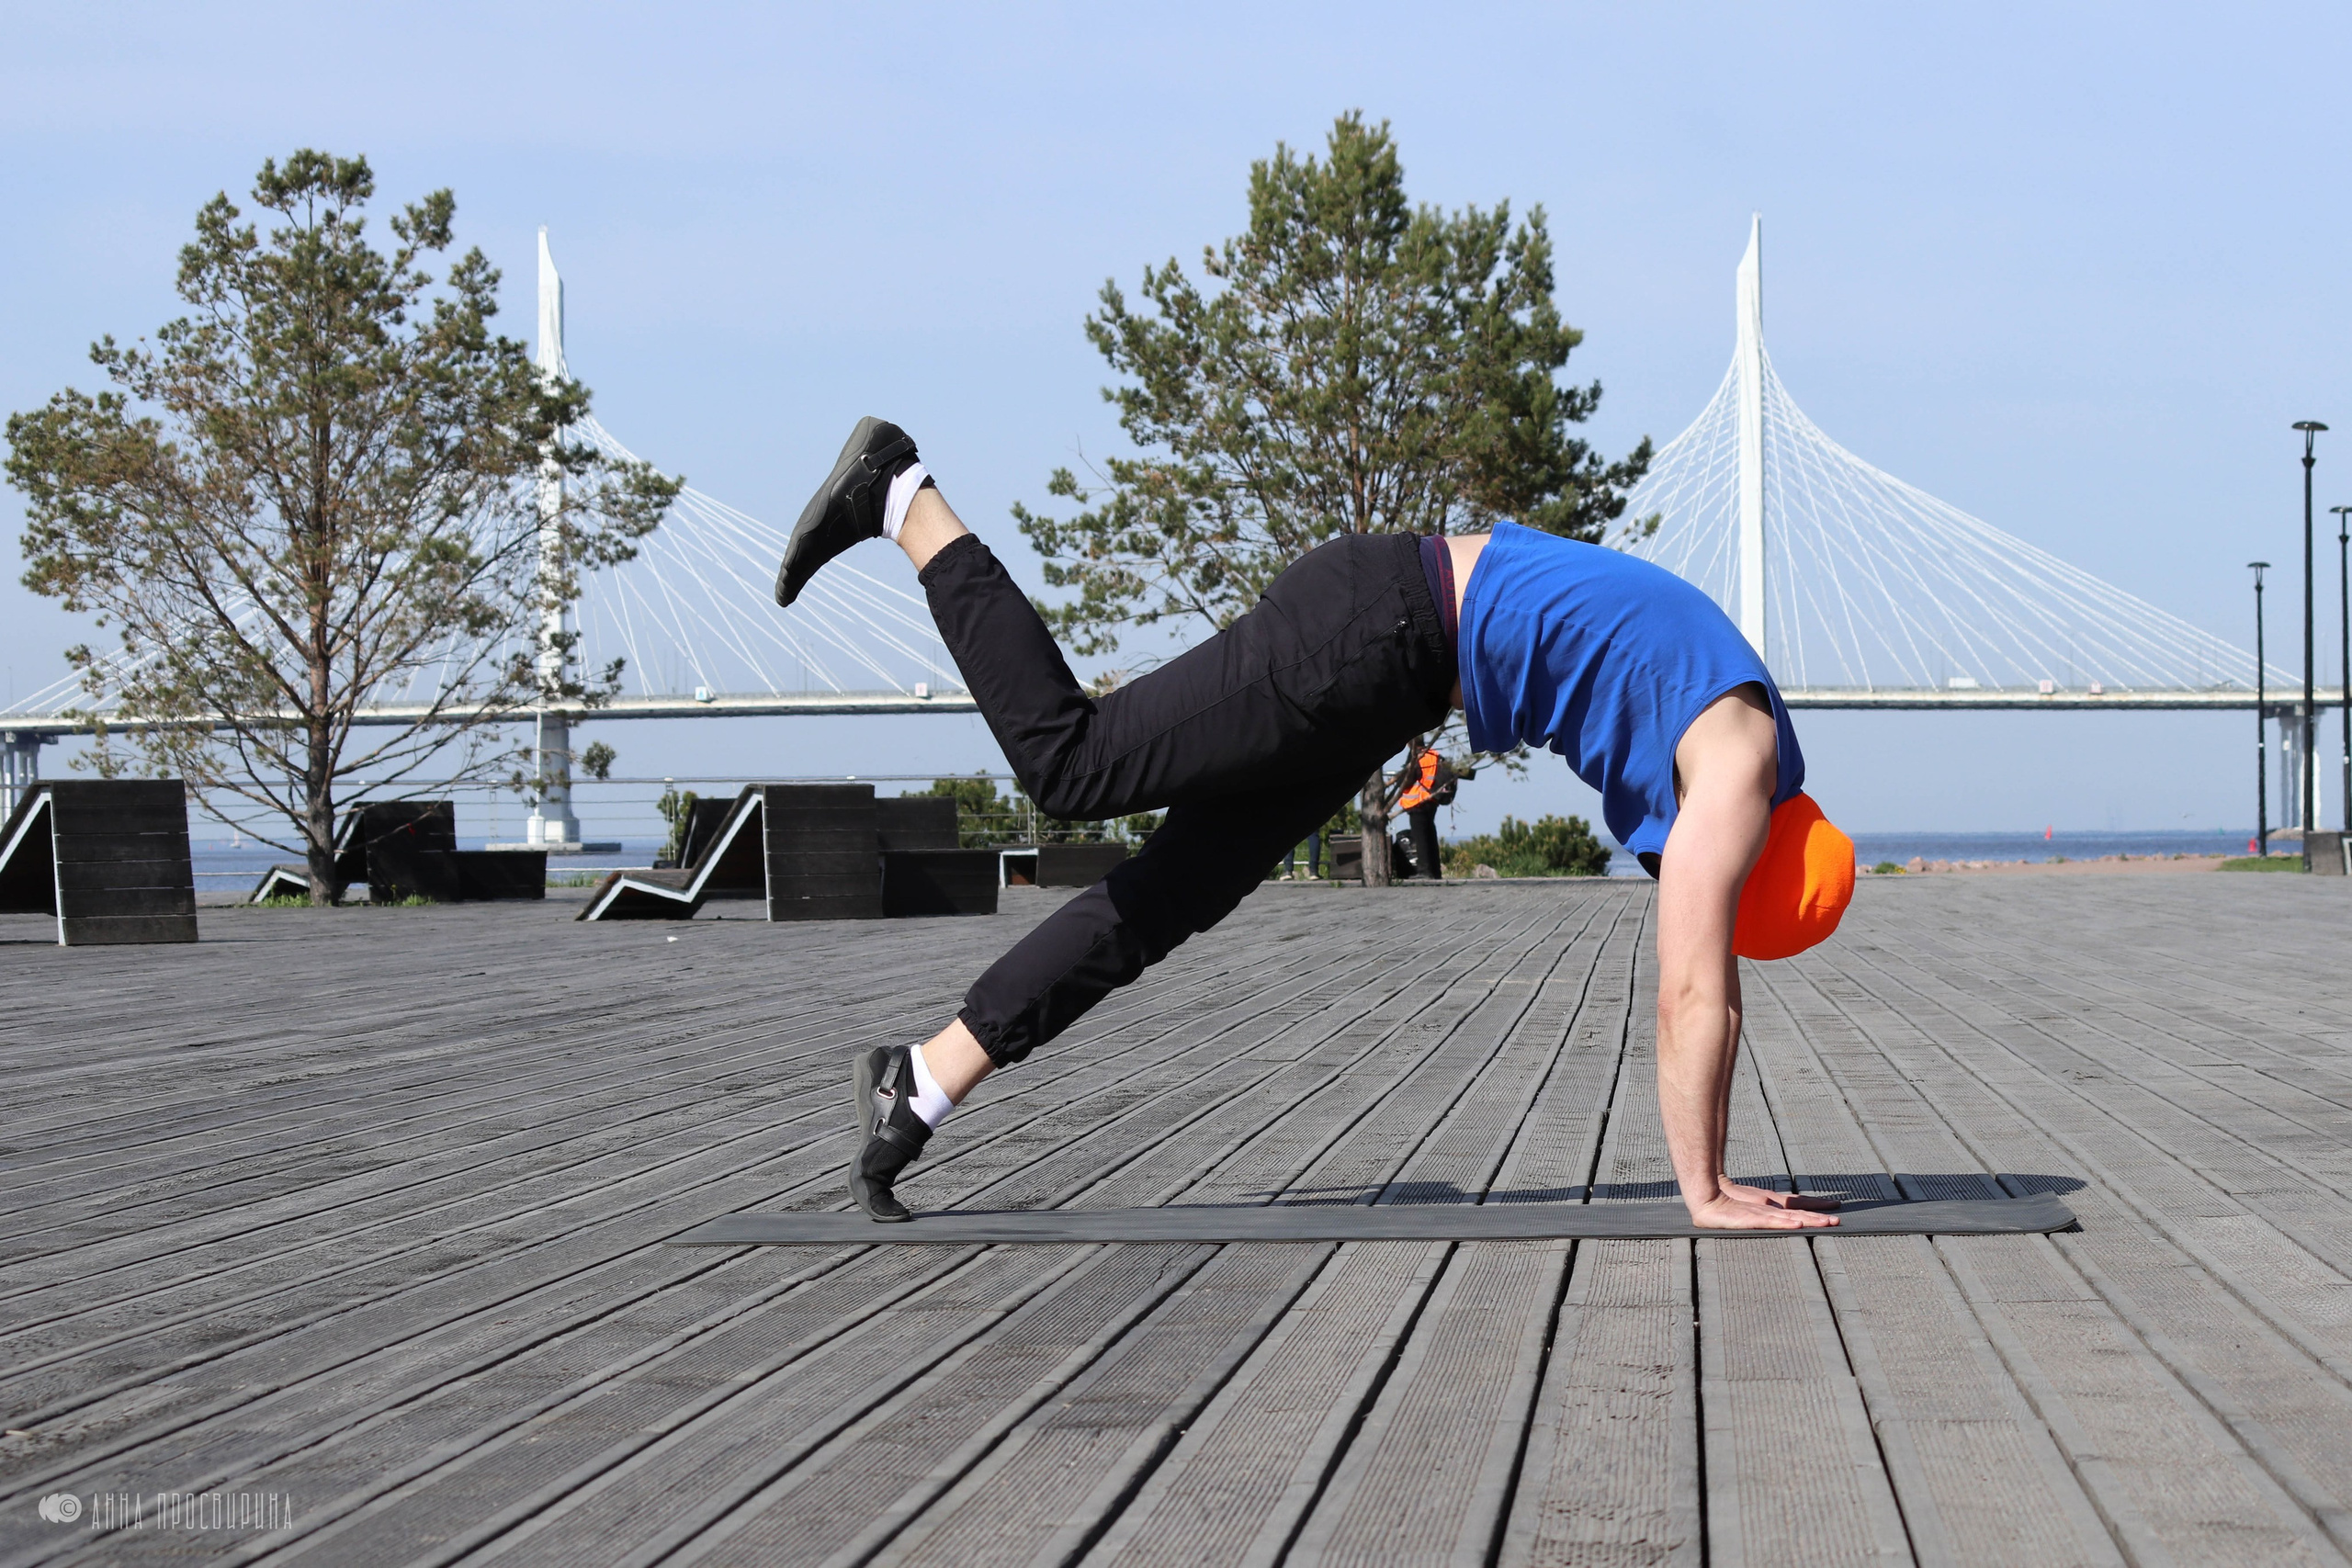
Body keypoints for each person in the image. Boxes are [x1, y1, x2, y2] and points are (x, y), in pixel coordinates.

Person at [777, 419, 1855, 1231]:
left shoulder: (1743, 719)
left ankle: (917, 1085)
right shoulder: (1738, 771)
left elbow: (1702, 972)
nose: (1688, 893)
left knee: (1170, 897)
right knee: (1073, 762)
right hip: (1373, 631)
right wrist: (1703, 1189)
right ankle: (905, 497)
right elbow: (1692, 990)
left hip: (1389, 670)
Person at [1391, 743, 1459, 878]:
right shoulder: (1434, 755)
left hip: (1418, 801)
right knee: (1430, 836)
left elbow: (1409, 778)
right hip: (1431, 799)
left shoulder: (1417, 757)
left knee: (1421, 838)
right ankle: (1435, 871)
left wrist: (1398, 780)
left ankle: (1425, 871)